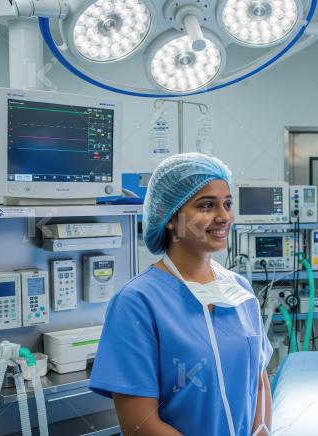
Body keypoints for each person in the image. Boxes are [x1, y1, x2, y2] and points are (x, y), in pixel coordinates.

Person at [89, 153, 273, 435]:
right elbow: (140, 424)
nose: (224, 217)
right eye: (207, 205)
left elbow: (259, 380)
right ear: (169, 217)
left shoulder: (240, 290)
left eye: (227, 204)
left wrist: (261, 430)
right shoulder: (137, 303)